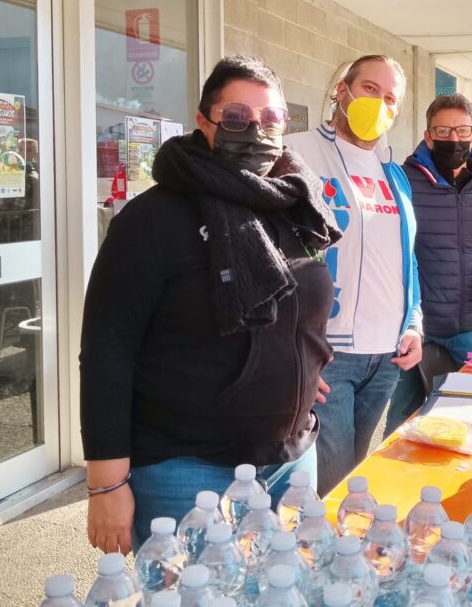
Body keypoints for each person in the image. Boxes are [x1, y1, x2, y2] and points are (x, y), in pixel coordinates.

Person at [79, 56, 341, 553]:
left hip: (292, 456)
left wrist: (298, 366)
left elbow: (299, 309)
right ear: (204, 122)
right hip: (186, 466)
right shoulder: (150, 220)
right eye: (238, 118)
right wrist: (106, 486)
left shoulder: (295, 205)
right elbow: (106, 353)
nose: (257, 131)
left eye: (271, 119)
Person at [285, 55, 423, 494]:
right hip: (329, 355)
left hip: (386, 355)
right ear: (341, 90)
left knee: (355, 474)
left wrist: (414, 322)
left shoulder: (393, 173)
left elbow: (407, 258)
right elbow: (272, 255)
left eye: (390, 99)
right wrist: (296, 352)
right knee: (333, 479)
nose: (379, 104)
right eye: (369, 89)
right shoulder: (297, 152)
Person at [383, 94, 472, 434]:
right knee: (402, 425)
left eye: (462, 130)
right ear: (428, 135)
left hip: (470, 328)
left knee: (469, 422)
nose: (453, 139)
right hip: (416, 331)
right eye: (443, 130)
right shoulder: (402, 183)